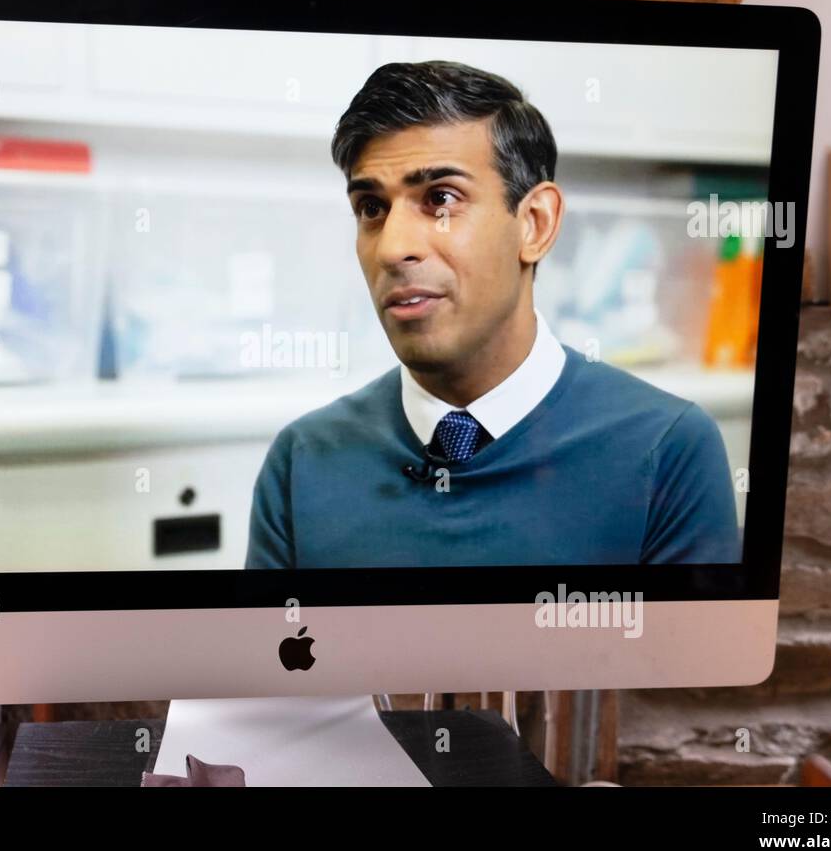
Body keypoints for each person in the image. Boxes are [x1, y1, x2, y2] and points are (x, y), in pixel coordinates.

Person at [244, 61, 740, 569]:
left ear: (535, 224)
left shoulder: (666, 451)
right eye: (372, 208)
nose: (392, 248)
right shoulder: (302, 462)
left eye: (440, 199)